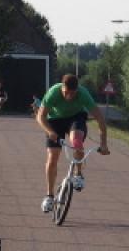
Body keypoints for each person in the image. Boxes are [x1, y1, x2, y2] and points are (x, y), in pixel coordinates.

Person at [36, 74, 110, 213]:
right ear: (62, 87)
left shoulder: (83, 94)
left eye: (72, 93)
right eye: (66, 93)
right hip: (55, 121)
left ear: (77, 90)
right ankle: (49, 196)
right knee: (52, 158)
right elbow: (40, 116)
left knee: (76, 142)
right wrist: (50, 131)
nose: (69, 96)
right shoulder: (53, 92)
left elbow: (100, 119)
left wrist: (103, 143)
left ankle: (78, 174)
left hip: (76, 118)